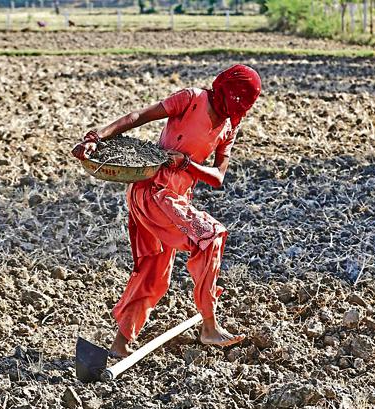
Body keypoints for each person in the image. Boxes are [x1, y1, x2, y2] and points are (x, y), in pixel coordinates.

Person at [72, 64, 262, 358]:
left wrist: (186, 165)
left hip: (176, 198)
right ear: (223, 89)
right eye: (233, 101)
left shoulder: (229, 127)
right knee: (210, 236)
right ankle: (209, 327)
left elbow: (217, 176)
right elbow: (137, 117)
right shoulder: (190, 99)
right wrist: (96, 137)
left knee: (154, 273)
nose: (233, 110)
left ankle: (118, 347)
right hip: (153, 192)